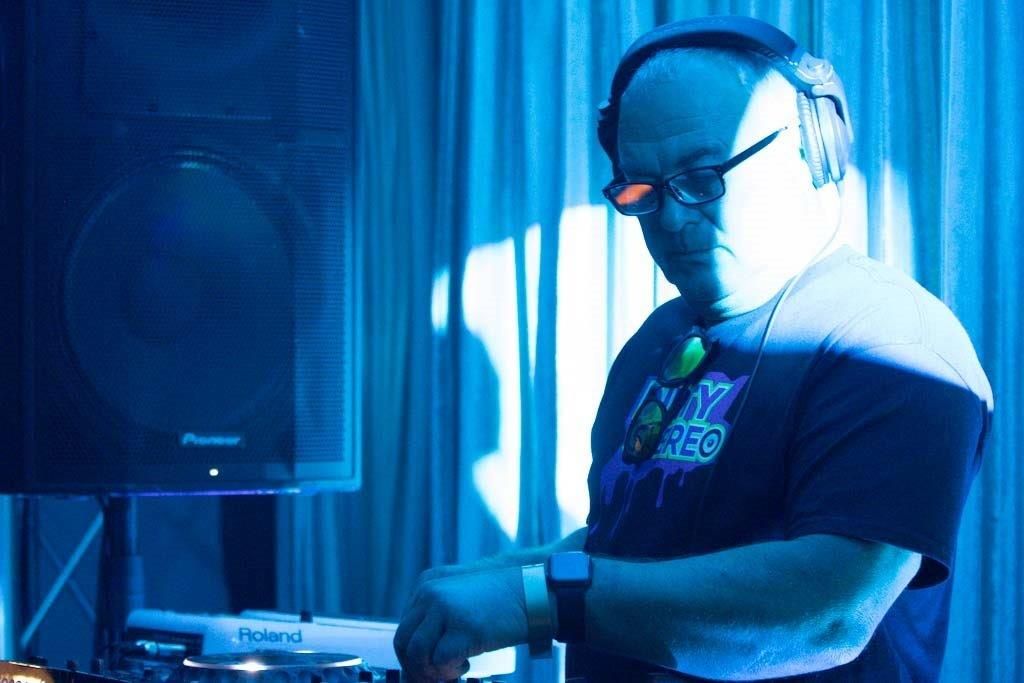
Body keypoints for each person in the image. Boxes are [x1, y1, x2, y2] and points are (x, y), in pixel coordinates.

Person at [394, 16, 992, 682]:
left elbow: (827, 609)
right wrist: (507, 575)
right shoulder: (661, 337)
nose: (672, 219)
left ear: (812, 146)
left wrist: (534, 598)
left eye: (703, 176)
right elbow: (632, 544)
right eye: (642, 190)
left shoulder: (891, 343)